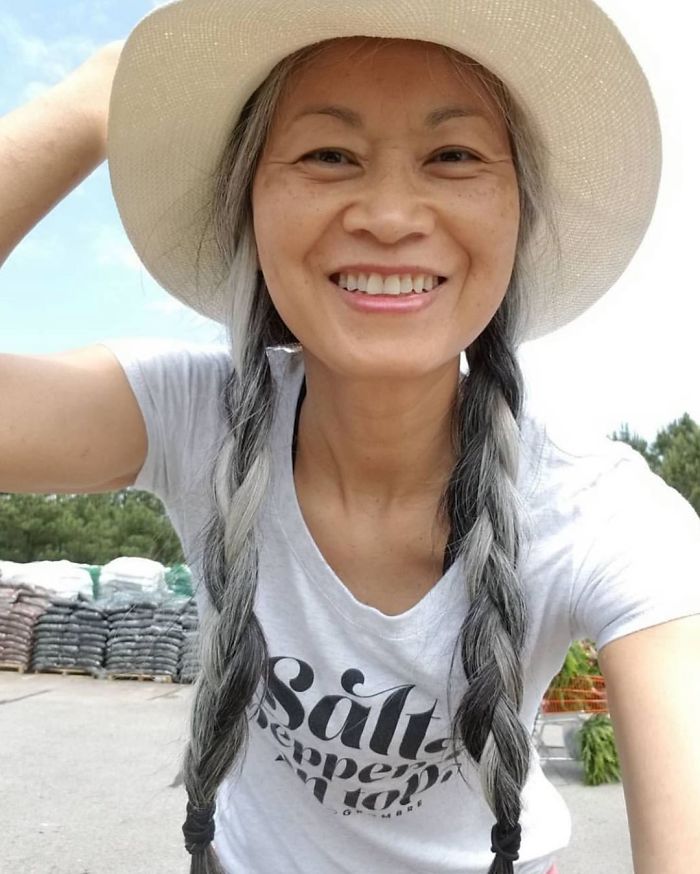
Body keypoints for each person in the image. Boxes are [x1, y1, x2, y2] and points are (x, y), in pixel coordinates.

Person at [1, 1, 699, 872]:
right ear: (250, 206)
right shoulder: (191, 415)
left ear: (519, 214)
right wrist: (90, 100)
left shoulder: (605, 515)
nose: (391, 215)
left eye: (454, 156)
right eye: (329, 155)